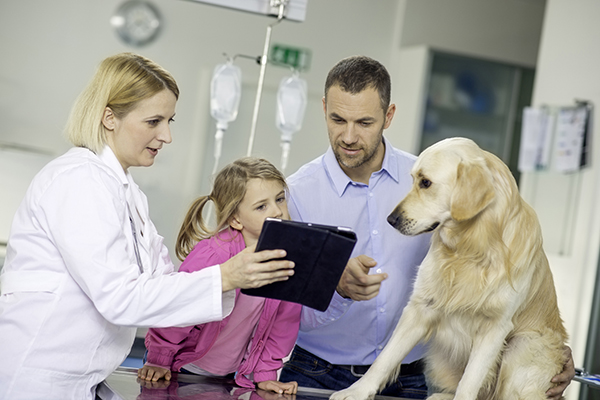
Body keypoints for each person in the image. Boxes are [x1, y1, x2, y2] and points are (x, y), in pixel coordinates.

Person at [0, 53, 294, 400]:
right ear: (109, 117)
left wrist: (231, 277)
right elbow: (119, 297)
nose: (167, 135)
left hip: (81, 378)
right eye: (154, 121)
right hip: (37, 378)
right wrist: (225, 276)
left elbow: (162, 284)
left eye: (170, 120)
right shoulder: (78, 181)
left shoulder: (128, 195)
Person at [279, 55, 575, 399]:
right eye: (337, 119)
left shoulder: (431, 177)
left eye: (364, 122)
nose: (348, 136)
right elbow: (281, 310)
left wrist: (545, 357)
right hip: (315, 372)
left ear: (388, 116)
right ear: (324, 108)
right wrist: (337, 290)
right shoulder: (296, 194)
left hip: (412, 380)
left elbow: (500, 284)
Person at [138, 157, 301, 395]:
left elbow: (282, 324)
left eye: (279, 199)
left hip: (226, 376)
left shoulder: (285, 259)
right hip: (183, 367)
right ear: (235, 219)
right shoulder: (214, 254)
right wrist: (159, 358)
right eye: (261, 206)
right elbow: (179, 306)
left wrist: (265, 374)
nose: (277, 210)